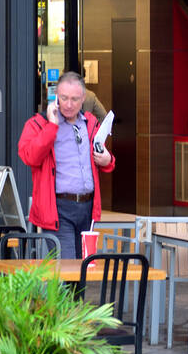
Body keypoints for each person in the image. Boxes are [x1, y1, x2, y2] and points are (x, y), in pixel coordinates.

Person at [18, 70, 115, 258]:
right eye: (64, 98)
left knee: (84, 269)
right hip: (58, 209)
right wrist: (52, 126)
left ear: (83, 98)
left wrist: (108, 160)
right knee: (66, 268)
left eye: (75, 99)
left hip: (87, 208)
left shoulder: (90, 123)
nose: (69, 105)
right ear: (56, 96)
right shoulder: (38, 124)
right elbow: (30, 157)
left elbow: (104, 157)